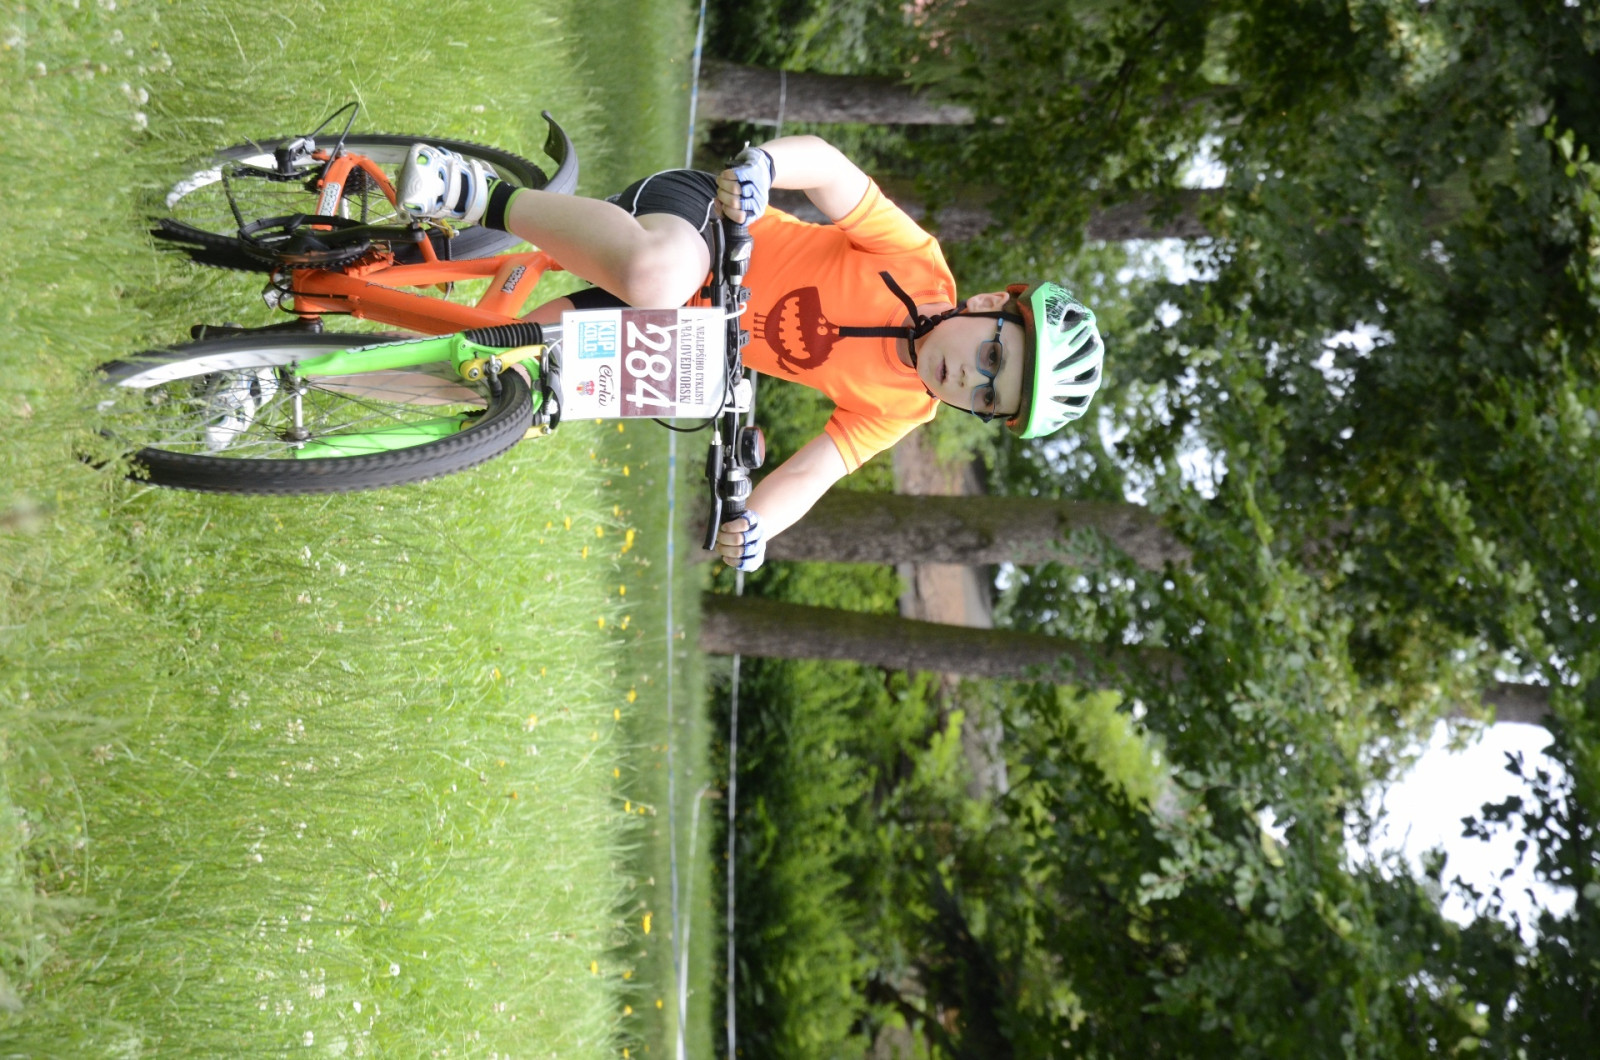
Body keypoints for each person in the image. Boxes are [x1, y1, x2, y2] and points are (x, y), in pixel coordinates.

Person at [395, 135, 1104, 572]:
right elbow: (831, 169)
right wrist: (765, 166)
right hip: (701, 227)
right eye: (992, 357)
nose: (970, 379)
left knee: (503, 387)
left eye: (986, 399)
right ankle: (481, 195)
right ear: (987, 306)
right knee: (657, 276)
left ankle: (330, 379)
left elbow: (814, 473)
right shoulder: (915, 263)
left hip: (678, 333)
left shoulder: (902, 408)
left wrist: (758, 524)